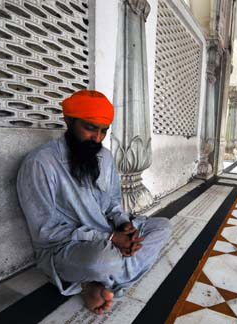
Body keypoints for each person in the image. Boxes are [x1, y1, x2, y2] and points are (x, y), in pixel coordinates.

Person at [17, 90, 172, 315]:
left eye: (103, 131)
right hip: (65, 248)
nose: (97, 138)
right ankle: (105, 278)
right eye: (90, 128)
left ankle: (96, 285)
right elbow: (45, 232)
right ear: (69, 121)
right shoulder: (40, 164)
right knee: (105, 261)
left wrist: (122, 225)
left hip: (108, 234)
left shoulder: (105, 157)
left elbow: (112, 202)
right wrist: (110, 238)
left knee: (163, 227)